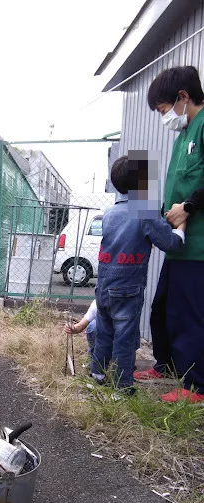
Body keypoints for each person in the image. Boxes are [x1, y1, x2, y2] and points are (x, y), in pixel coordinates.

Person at [134, 66, 204, 403]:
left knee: (192, 315)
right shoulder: (183, 136)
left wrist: (189, 206)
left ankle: (197, 386)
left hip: (199, 246)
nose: (164, 118)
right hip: (178, 244)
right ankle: (166, 366)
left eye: (163, 110)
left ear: (183, 97)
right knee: (163, 308)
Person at [91, 154, 186, 393]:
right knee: (124, 336)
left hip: (103, 284)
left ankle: (97, 374)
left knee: (104, 331)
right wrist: (181, 228)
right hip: (127, 287)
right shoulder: (145, 211)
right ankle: (123, 387)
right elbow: (169, 243)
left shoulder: (110, 213)